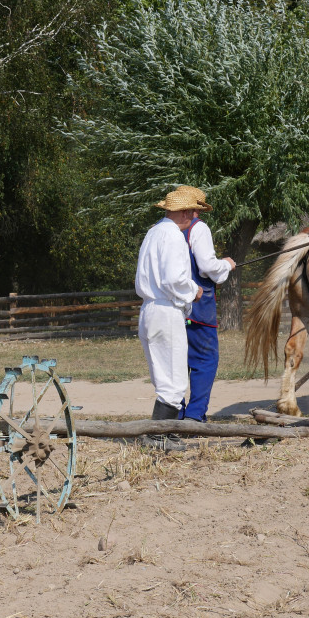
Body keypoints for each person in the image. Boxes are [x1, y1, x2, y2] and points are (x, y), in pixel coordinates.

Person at [135, 187, 205, 443]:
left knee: (164, 378)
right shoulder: (174, 236)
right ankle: (159, 436)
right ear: (185, 212)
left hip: (149, 311)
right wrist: (193, 290)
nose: (197, 215)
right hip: (166, 311)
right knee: (174, 381)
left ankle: (163, 433)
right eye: (196, 210)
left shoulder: (153, 232)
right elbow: (174, 279)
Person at [177, 186, 235, 422]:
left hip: (173, 307)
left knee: (177, 360)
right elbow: (208, 267)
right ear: (196, 209)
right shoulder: (198, 229)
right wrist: (227, 265)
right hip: (198, 306)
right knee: (205, 359)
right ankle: (195, 415)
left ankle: (175, 413)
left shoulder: (162, 230)